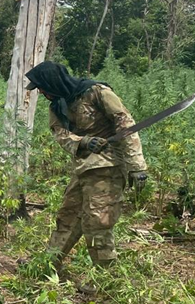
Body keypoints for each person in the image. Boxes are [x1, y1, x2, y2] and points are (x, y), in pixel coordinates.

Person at [24, 62, 147, 284]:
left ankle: (105, 278)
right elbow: (61, 135)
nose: (41, 92)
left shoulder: (97, 93)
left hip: (107, 166)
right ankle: (48, 264)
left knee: (98, 221)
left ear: (53, 82)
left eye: (41, 87)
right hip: (84, 168)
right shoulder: (57, 106)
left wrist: (137, 166)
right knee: (68, 215)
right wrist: (83, 141)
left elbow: (125, 123)